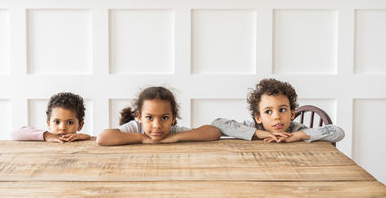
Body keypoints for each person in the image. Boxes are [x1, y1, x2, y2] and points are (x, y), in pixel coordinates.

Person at [211, 78, 344, 143]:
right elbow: (217, 123)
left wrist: (298, 136)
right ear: (258, 117)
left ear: (292, 113)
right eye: (268, 112)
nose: (277, 117)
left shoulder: (297, 130)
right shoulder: (253, 127)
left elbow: (338, 132)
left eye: (282, 110)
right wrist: (260, 134)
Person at [97, 86, 221, 146]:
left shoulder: (173, 131)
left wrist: (176, 137)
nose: (157, 126)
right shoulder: (135, 128)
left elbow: (213, 132)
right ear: (139, 117)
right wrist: (141, 138)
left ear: (173, 118)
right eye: (149, 118)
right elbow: (102, 138)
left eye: (165, 118)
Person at [11, 92, 92, 143]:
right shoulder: (45, 138)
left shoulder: (82, 139)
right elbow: (14, 134)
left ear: (80, 125)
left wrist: (89, 138)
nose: (62, 128)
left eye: (69, 122)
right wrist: (47, 136)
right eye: (57, 122)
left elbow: (102, 140)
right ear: (48, 123)